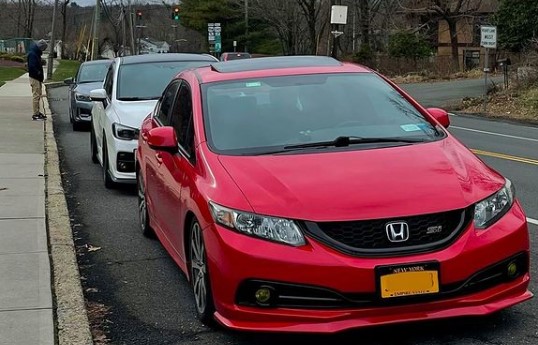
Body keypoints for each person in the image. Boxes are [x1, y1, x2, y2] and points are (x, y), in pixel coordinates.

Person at [27, 39, 48, 120]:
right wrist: (38, 73)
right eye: (44, 49)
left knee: (38, 95)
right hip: (34, 77)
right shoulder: (33, 54)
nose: (44, 50)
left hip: (36, 77)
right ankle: (35, 114)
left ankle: (37, 112)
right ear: (41, 47)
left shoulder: (35, 53)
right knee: (36, 95)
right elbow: (32, 67)